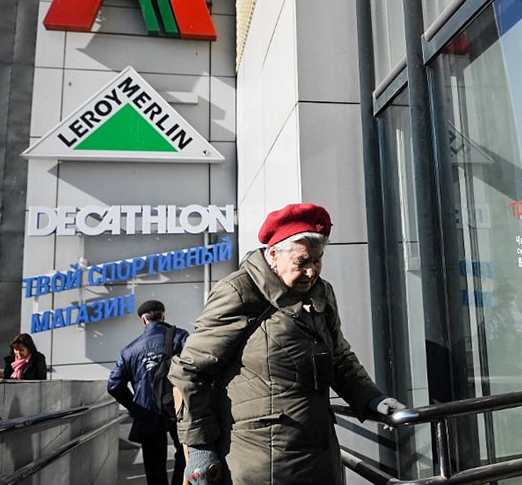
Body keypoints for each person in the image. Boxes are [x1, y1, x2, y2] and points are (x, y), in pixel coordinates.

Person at [169, 203, 406, 485]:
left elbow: (339, 357)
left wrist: (372, 399)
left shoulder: (322, 292)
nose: (311, 271)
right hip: (260, 463)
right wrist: (200, 450)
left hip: (319, 454)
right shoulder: (239, 291)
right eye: (302, 262)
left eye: (317, 260)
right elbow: (191, 372)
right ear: (273, 255)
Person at [108, 300, 189, 485]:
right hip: (178, 408)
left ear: (144, 321)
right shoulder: (179, 337)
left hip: (147, 413)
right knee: (185, 455)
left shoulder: (129, 350)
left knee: (154, 465)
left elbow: (114, 385)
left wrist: (134, 407)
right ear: (163, 316)